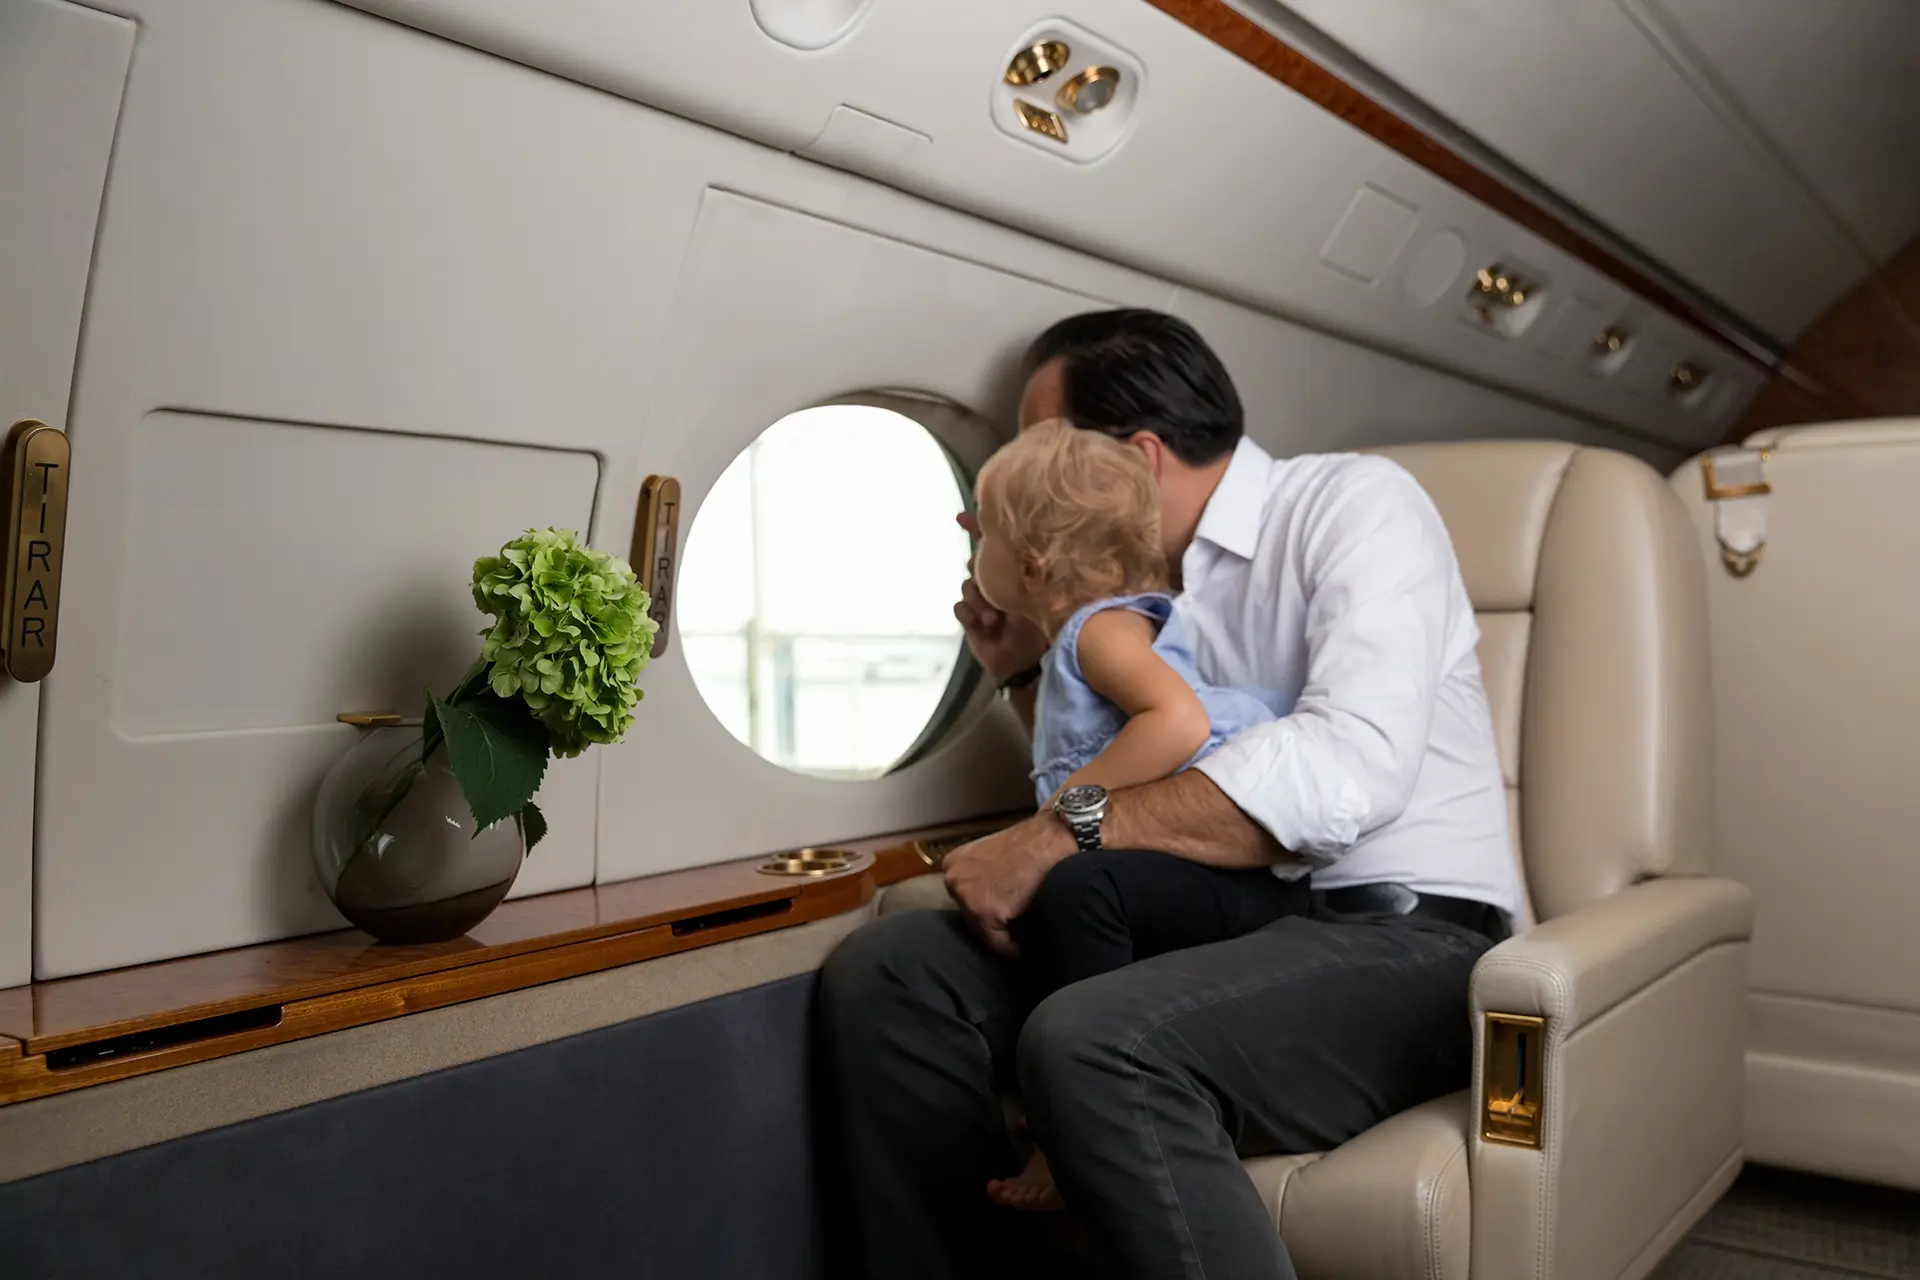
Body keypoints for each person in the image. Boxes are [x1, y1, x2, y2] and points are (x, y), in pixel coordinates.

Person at [818, 308, 1524, 1280]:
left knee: (1094, 1038)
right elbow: (1110, 773)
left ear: (1141, 457)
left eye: (1047, 450)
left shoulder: (1354, 503)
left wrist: (1056, 837)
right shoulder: (1114, 592)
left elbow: (1346, 767)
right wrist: (1025, 671)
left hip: (1406, 937)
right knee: (892, 968)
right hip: (1217, 922)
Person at [966, 419, 1302, 1211]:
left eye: (983, 533)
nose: (973, 551)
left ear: (1032, 563)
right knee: (1076, 884)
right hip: (1195, 870)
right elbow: (1080, 747)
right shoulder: (1079, 642)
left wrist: (1051, 825)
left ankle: (1068, 1131)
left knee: (1078, 889)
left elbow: (1178, 725)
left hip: (1240, 863)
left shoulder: (1097, 632)